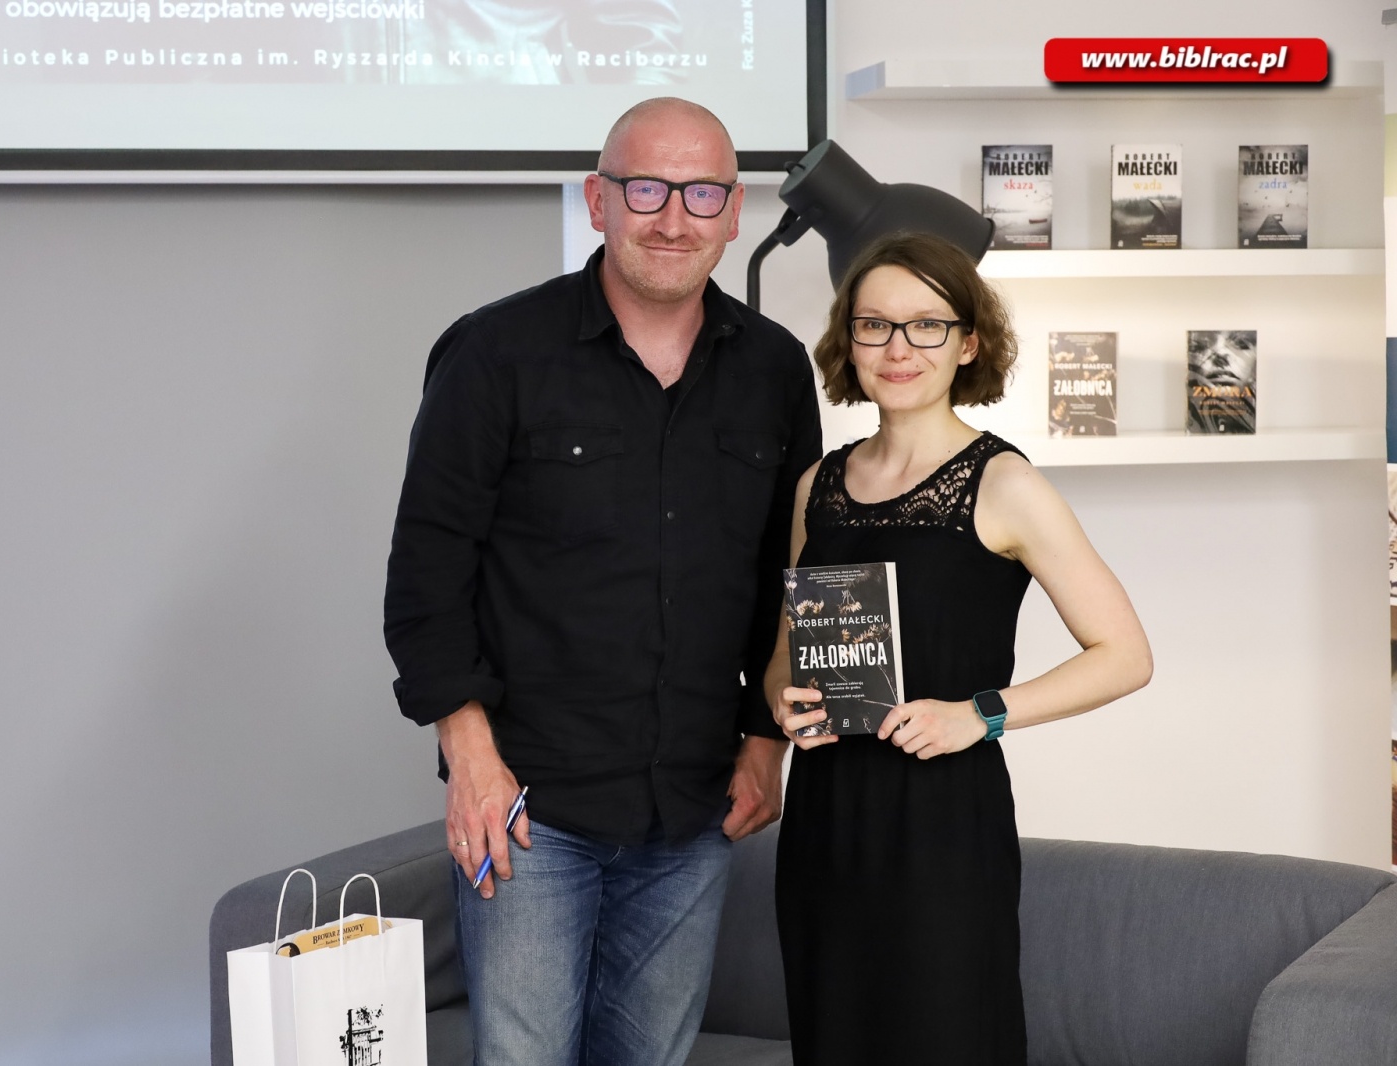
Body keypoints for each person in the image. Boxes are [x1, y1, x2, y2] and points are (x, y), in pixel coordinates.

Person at [383, 96, 822, 1066]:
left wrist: (764, 743)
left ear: (734, 212)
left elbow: (781, 576)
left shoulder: (775, 370)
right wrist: (470, 755)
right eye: (646, 189)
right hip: (529, 803)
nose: (674, 217)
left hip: (694, 801)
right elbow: (426, 568)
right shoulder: (496, 353)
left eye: (701, 191)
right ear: (598, 200)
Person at [765, 232, 1153, 1066]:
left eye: (927, 326)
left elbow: (1124, 653)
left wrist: (981, 715)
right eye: (875, 326)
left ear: (969, 342)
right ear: (849, 340)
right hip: (826, 827)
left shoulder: (1004, 483)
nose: (899, 348)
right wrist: (783, 699)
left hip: (944, 831)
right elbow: (785, 651)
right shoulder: (816, 487)